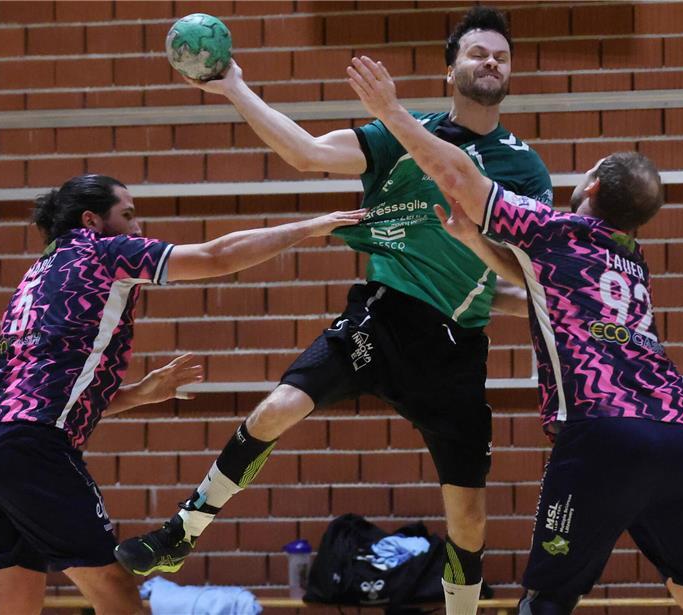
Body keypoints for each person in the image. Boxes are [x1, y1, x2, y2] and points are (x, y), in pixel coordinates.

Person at [115, 7, 551, 613]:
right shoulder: (400, 135)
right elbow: (307, 152)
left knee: (469, 519)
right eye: (478, 53)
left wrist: (516, 293)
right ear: (450, 70)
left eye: (501, 56)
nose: (491, 62)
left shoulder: (523, 168)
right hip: (384, 313)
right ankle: (180, 532)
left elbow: (522, 271)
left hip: (454, 346)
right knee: (277, 409)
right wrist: (235, 86)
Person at [343, 56, 683, 615]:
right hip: (677, 431)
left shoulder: (555, 228)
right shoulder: (632, 259)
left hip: (602, 430)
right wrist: (474, 243)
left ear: (592, 186)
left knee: (546, 600)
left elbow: (459, 176)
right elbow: (539, 281)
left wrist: (392, 113)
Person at [0, 174, 365, 615]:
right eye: (127, 215)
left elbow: (40, 395)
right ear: (91, 220)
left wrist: (140, 394)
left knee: (13, 607)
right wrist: (310, 227)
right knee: (118, 592)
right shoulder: (103, 252)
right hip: (30, 447)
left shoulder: (37, 274)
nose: (137, 227)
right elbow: (216, 256)